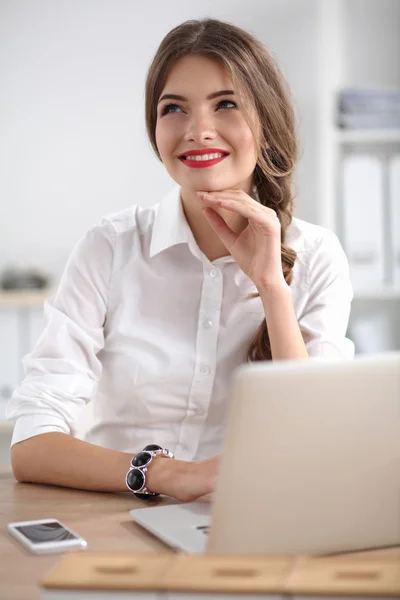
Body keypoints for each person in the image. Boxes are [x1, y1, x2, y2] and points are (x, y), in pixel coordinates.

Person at [7, 18, 354, 502]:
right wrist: (167, 474)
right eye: (174, 109)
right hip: (116, 519)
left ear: (268, 125)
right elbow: (31, 445)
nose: (198, 131)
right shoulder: (110, 246)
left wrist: (272, 287)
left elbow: (315, 443)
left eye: (226, 104)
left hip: (252, 516)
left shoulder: (318, 256)